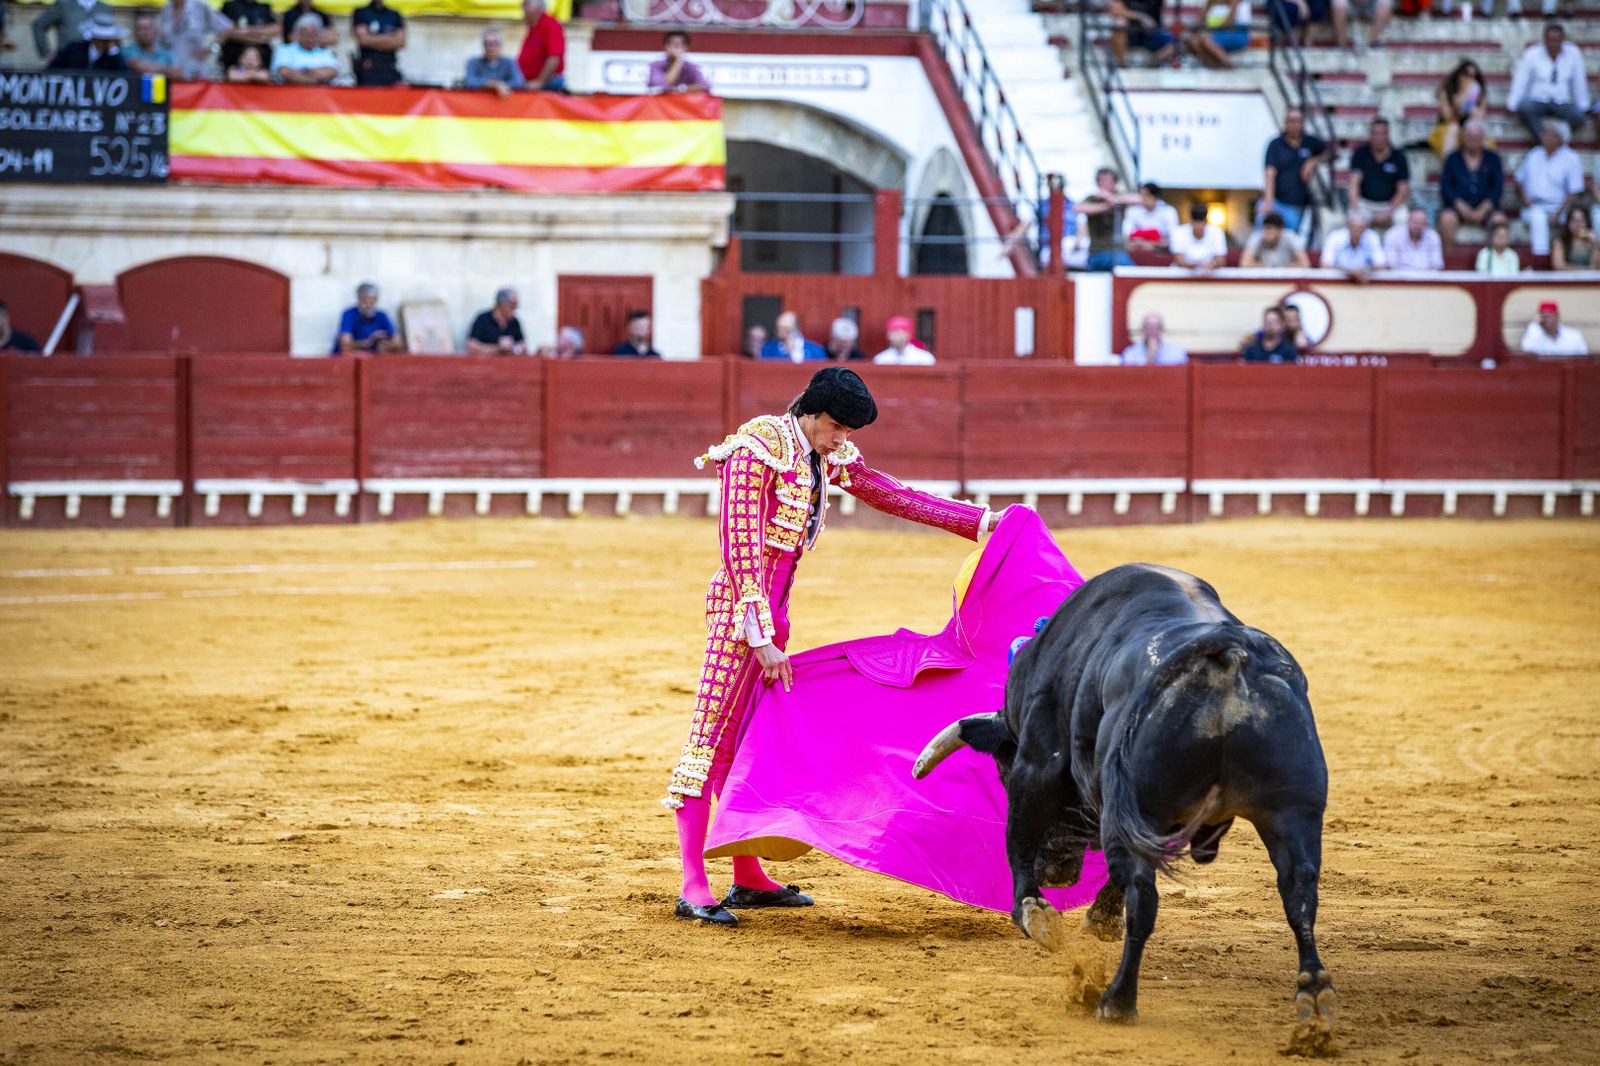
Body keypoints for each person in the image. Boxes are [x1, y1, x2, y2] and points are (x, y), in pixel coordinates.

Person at [664, 367, 1007, 925]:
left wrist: (982, 521)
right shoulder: (760, 448)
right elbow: (738, 544)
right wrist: (759, 635)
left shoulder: (821, 455)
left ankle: (747, 876)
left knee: (751, 737)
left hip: (775, 613)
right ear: (811, 412)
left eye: (849, 432)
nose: (843, 439)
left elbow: (889, 493)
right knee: (711, 738)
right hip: (739, 614)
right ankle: (693, 883)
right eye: (837, 428)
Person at [1506, 24, 1589, 143]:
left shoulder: (1573, 54)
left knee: (1578, 117)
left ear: (1562, 40)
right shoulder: (1532, 54)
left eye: (1556, 40)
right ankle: (1544, 141)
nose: (1553, 44)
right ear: (1544, 40)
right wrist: (1512, 104)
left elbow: (1578, 82)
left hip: (1562, 101)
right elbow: (1521, 80)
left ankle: (1558, 140)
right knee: (1525, 109)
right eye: (1550, 40)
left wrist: (1583, 105)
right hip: (1538, 100)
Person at [1513, 120, 1584, 257]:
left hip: (1561, 208)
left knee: (1576, 219)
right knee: (1537, 216)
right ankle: (1541, 258)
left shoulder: (1571, 158)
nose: (1543, 137)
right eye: (1544, 133)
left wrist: (1558, 212)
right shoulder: (1534, 154)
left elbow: (1575, 192)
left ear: (1559, 139)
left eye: (1548, 134)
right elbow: (1518, 180)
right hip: (1534, 206)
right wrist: (1524, 196)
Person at [1438, 121, 1506, 254]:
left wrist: (1484, 208)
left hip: (1486, 207)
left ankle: (1494, 261)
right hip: (1457, 207)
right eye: (1469, 137)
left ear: (1483, 138)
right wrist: (1460, 205)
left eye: (1476, 138)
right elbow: (1445, 186)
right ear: (1464, 137)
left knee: (1499, 220)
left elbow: (1497, 187)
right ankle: (1449, 260)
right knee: (1446, 219)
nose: (1472, 141)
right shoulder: (1452, 158)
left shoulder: (1493, 158)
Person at [1260, 108, 1330, 237]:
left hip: (1298, 205)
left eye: (1298, 121)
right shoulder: (1276, 144)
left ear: (1303, 123)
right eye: (1292, 121)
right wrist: (1269, 202)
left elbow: (1331, 153)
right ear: (1285, 123)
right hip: (1277, 202)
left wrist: (1313, 161)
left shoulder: (1309, 142)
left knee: (1291, 240)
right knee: (1265, 232)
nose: (1295, 124)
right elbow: (1270, 173)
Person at [1346, 118, 1410, 230]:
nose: (1378, 137)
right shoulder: (1360, 154)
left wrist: (1388, 212)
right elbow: (1353, 183)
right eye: (1375, 134)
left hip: (1390, 204)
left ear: (1387, 135)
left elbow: (1403, 189)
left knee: (1403, 218)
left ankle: (1397, 248)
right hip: (1365, 204)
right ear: (1370, 135)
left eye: (1382, 134)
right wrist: (1356, 207)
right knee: (1354, 218)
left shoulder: (1399, 157)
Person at [1076, 167, 1139, 271]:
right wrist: (1106, 206)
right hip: (1097, 250)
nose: (1104, 184)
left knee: (1129, 273)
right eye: (1101, 180)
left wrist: (1111, 198)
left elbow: (1139, 199)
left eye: (1107, 180)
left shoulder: (1120, 197)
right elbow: (1078, 207)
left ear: (1115, 183)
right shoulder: (1092, 199)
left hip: (1117, 250)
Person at [157, 0, 232, 80]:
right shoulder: (166, 10)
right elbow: (160, 42)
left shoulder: (199, 6)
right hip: (172, 71)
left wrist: (211, 49)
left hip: (195, 70)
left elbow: (227, 28)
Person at [1429, 59, 1487, 159]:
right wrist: (1458, 106)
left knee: (1478, 132)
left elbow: (1480, 118)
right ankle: (1452, 169)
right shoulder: (1446, 91)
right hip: (1448, 127)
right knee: (1453, 129)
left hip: (1469, 129)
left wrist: (1471, 107)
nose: (1470, 79)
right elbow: (1447, 117)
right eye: (1467, 75)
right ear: (1459, 75)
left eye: (1474, 76)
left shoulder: (1479, 93)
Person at [31, 0, 112, 65]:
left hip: (97, 65)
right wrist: (46, 52)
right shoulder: (64, 4)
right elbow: (39, 25)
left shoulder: (105, 8)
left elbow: (110, 34)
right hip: (67, 63)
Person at [46, 12, 128, 70]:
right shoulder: (74, 49)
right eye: (99, 38)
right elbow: (52, 69)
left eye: (106, 39)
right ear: (92, 38)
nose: (102, 42)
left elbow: (125, 76)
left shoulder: (114, 55)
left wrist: (113, 52)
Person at [333, 282, 400, 355]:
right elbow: (345, 344)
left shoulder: (382, 315)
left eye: (373, 300)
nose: (369, 304)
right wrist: (368, 342)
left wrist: (385, 344)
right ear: (358, 299)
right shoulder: (349, 314)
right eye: (365, 300)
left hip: (372, 360)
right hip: (348, 361)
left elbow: (397, 342)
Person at [1321, 209, 1386, 282]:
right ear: (1347, 226)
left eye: (1361, 228)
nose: (1357, 231)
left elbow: (1381, 266)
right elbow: (1325, 265)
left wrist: (1363, 271)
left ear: (1366, 228)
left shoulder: (1372, 237)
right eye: (1354, 227)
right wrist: (1350, 272)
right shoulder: (1335, 237)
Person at [352, 0, 404, 87]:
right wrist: (389, 38)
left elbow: (400, 42)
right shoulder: (362, 12)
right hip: (369, 66)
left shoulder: (394, 14)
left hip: (390, 66)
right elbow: (364, 40)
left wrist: (374, 39)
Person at [1106, 0, 1175, 65]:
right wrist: (1140, 16)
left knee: (1172, 42)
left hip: (1150, 33)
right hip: (1130, 32)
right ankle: (1123, 64)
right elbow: (1114, 10)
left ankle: (1150, 63)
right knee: (1119, 28)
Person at [272, 14, 337, 83]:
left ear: (318, 36)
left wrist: (303, 72)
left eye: (312, 35)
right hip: (289, 91)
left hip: (320, 91)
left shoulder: (325, 52)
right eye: (305, 35)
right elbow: (283, 72)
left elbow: (332, 72)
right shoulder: (284, 50)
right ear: (297, 34)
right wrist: (313, 75)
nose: (309, 39)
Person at [1185, 0, 1250, 68]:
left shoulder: (1235, 2)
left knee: (1207, 40)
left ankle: (1228, 65)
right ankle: (1211, 65)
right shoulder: (1211, 3)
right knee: (1192, 41)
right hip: (1216, 34)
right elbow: (1200, 22)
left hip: (1236, 33)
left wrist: (1208, 32)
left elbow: (1229, 23)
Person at [219, 0, 277, 76]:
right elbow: (227, 31)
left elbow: (276, 29)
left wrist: (246, 31)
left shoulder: (264, 7)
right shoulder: (229, 6)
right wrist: (258, 38)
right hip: (234, 57)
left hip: (262, 61)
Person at [517, 0, 565, 92]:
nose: (523, 10)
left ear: (537, 7)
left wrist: (540, 81)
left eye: (526, 5)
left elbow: (554, 57)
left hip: (548, 85)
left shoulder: (550, 25)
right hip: (531, 83)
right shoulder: (534, 27)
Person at [464, 26, 524, 95]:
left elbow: (519, 82)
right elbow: (469, 82)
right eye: (488, 44)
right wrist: (492, 85)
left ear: (501, 45)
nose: (492, 47)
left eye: (495, 43)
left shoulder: (510, 62)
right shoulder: (473, 62)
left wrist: (499, 85)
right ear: (483, 45)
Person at [467, 287, 527, 355]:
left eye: (515, 306)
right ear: (500, 304)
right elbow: (471, 347)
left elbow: (523, 346)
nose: (514, 309)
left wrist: (514, 349)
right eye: (511, 305)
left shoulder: (514, 322)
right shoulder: (483, 319)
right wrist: (497, 348)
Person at [1241, 211, 1311, 268]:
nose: (1266, 234)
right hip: (1263, 278)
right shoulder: (1257, 237)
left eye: (1270, 230)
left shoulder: (1290, 236)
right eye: (1265, 229)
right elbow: (1244, 264)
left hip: (1286, 278)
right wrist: (1268, 269)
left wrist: (1284, 269)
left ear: (1280, 230)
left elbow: (1305, 264)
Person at [1170, 202, 1228, 271]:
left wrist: (1210, 266)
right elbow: (1179, 261)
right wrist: (1201, 266)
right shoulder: (1179, 232)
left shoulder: (1217, 232)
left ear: (1206, 222)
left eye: (1201, 222)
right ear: (1191, 222)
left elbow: (1221, 260)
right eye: (1196, 222)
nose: (1198, 227)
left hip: (1209, 276)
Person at [1383, 207, 1444, 272]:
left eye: (1421, 223)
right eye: (1415, 222)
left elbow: (1437, 265)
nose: (1417, 226)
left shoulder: (1433, 237)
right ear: (1408, 221)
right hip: (1399, 278)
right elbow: (1390, 265)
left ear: (1426, 224)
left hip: (1426, 279)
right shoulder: (1393, 235)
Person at [1122, 183, 1180, 250]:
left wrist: (1154, 244)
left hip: (1161, 252)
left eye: (1147, 195)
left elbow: (1174, 236)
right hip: (1137, 251)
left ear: (1155, 196)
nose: (1143, 198)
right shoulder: (1133, 211)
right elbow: (1126, 234)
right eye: (1142, 195)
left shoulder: (1168, 211)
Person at [1519, 301, 1588, 357]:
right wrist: (1535, 325)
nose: (1546, 320)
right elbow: (1527, 352)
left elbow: (1584, 358)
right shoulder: (1534, 335)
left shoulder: (1574, 336)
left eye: (1549, 316)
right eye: (1543, 317)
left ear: (1557, 317)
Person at [1119, 313, 1188, 365]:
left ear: (1162, 329)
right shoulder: (1131, 352)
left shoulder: (1176, 351)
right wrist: (1150, 357)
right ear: (1142, 330)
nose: (1152, 331)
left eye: (1156, 327)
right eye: (1148, 327)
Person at [759, 312, 826, 362]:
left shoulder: (816, 350)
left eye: (786, 328)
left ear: (796, 328)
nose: (781, 331)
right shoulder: (768, 349)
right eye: (779, 328)